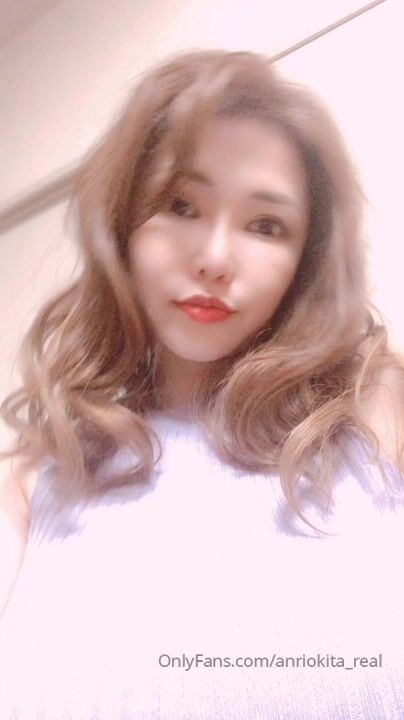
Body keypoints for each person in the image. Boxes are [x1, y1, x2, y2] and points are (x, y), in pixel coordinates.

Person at [0, 47, 404, 719]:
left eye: (266, 225)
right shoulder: (30, 480)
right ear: (122, 225)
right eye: (180, 205)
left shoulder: (379, 413)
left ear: (303, 260)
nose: (215, 258)